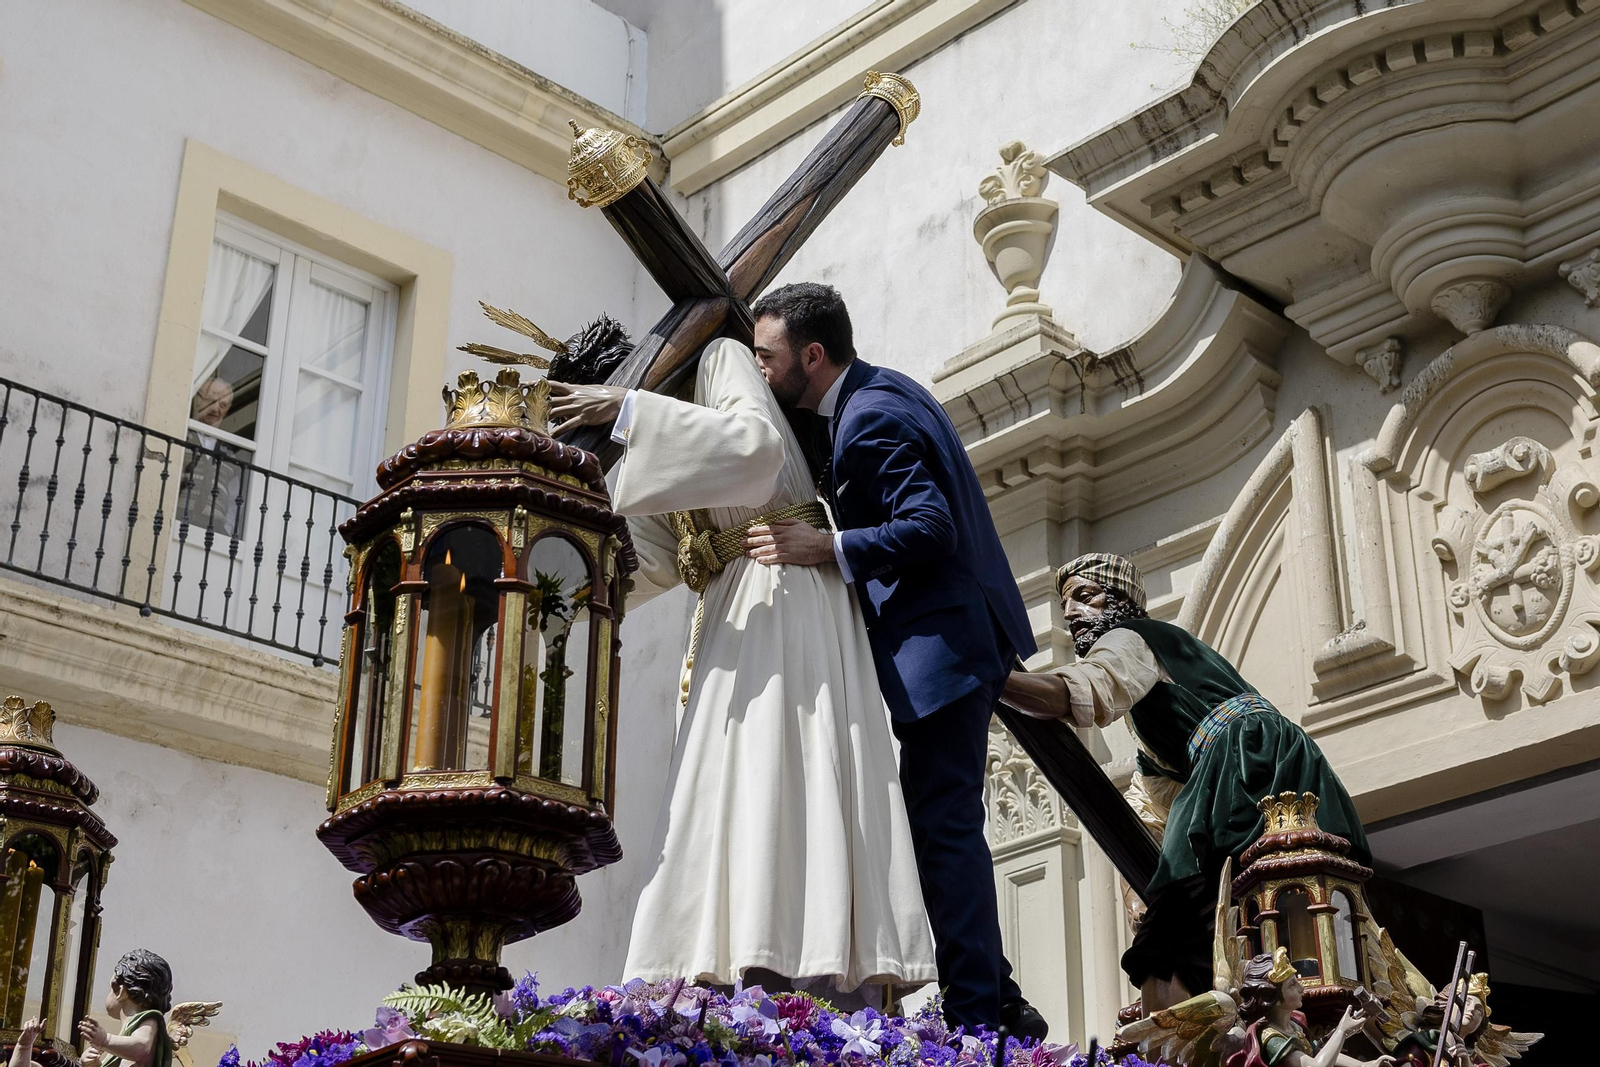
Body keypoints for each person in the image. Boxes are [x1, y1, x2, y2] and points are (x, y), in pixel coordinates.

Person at [546, 326, 936, 1003]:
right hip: (734, 600)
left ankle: (798, 955)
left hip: (782, 583)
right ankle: (735, 961)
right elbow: (649, 559)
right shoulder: (665, 440)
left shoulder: (719, 359)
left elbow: (755, 451)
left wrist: (628, 409)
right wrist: (549, 594)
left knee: (780, 770)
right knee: (731, 789)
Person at [740, 283, 1046, 1040]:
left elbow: (931, 526)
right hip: (957, 648)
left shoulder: (869, 418)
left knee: (944, 833)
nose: (760, 370)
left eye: (767, 357)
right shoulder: (881, 392)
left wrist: (829, 546)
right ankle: (997, 996)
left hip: (942, 655)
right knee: (937, 830)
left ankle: (979, 1020)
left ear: (812, 355)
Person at [1000, 553, 1370, 1014]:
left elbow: (1074, 694)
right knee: (1245, 907)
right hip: (1248, 764)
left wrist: (993, 680)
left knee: (1184, 921)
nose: (1071, 613)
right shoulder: (1155, 716)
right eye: (1065, 604)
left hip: (1246, 760)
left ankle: (1199, 994)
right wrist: (1134, 893)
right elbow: (1150, 799)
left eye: (1085, 596)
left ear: (1120, 599)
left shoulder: (1131, 637)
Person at [1226, 948, 1393, 1067]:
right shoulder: (1271, 1037)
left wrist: (1364, 1065)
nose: (1301, 988)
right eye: (1292, 985)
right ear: (1272, 998)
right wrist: (1341, 1031)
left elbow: (1317, 1052)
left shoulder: (1294, 1025)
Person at [78, 949, 176, 1067]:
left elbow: (142, 1048)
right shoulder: (124, 1041)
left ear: (119, 991)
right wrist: (93, 1064)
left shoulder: (150, 1021)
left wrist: (106, 1040)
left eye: (110, 988)